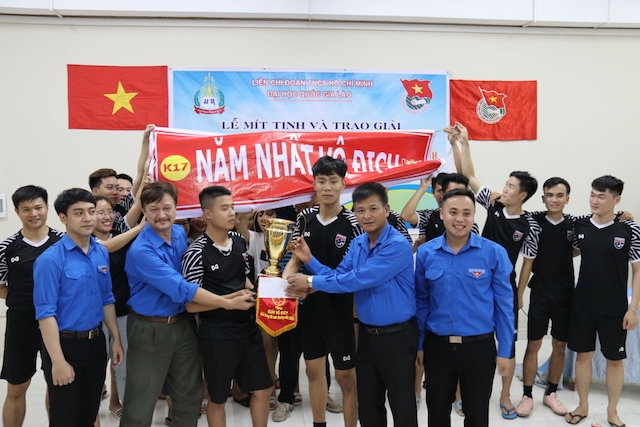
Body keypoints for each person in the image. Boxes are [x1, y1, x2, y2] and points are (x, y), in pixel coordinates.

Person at [120, 181, 256, 427]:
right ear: (144, 211)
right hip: (150, 329)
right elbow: (183, 288)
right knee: (140, 403)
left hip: (184, 324)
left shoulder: (179, 234)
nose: (161, 215)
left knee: (189, 397)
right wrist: (227, 302)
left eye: (167, 208)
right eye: (153, 209)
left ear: (176, 208)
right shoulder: (141, 251)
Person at [287, 182, 418, 427]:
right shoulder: (358, 243)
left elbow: (358, 279)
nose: (366, 216)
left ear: (386, 209)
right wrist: (310, 260)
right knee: (369, 405)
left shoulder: (397, 245)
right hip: (367, 337)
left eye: (373, 209)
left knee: (402, 405)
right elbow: (339, 275)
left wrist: (311, 281)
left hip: (397, 338)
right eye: (360, 210)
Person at [452, 122, 540, 419]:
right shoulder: (493, 204)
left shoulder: (530, 224)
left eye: (512, 186)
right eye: (507, 183)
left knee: (507, 342)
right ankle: (462, 394)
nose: (505, 188)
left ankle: (504, 395)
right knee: (470, 336)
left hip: (505, 287)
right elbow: (469, 177)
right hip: (475, 283)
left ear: (523, 195)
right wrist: (465, 143)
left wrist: (520, 293)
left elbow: (528, 261)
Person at [415, 188, 514, 427]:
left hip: (479, 348)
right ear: (442, 214)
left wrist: (505, 350)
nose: (459, 219)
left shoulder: (493, 253)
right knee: (437, 413)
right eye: (453, 212)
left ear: (474, 215)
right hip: (438, 347)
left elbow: (504, 306)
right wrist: (419, 345)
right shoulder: (427, 253)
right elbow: (422, 302)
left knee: (477, 414)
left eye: (466, 213)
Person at [181, 185, 273, 427]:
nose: (232, 213)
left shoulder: (238, 241)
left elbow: (243, 278)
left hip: (248, 328)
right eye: (224, 208)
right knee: (218, 397)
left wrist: (260, 291)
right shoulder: (196, 252)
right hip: (217, 335)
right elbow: (190, 306)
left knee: (263, 389)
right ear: (207, 214)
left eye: (232, 207)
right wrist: (229, 303)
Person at [32, 188, 124, 427]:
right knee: (64, 417)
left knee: (89, 414)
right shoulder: (50, 260)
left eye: (91, 212)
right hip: (65, 345)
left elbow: (107, 299)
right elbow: (45, 314)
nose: (87, 218)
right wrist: (58, 361)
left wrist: (115, 339)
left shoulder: (100, 252)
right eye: (79, 213)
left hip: (96, 344)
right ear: (63, 218)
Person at [282, 156, 359, 427]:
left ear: (343, 184)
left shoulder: (353, 222)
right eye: (322, 181)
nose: (327, 187)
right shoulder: (304, 218)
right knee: (314, 372)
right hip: (311, 312)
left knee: (345, 377)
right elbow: (295, 258)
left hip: (341, 310)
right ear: (314, 184)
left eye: (333, 181)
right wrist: (286, 280)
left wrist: (309, 285)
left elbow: (349, 274)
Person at [564, 175, 640, 427]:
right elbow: (568, 249)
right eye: (592, 194)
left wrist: (633, 308)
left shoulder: (630, 229)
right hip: (583, 304)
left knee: (615, 361)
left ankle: (612, 411)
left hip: (615, 307)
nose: (594, 200)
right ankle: (582, 406)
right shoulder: (579, 225)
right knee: (582, 356)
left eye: (601, 196)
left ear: (616, 200)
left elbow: (638, 271)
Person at [0, 185, 63, 427]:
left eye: (38, 207)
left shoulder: (64, 242)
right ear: (17, 211)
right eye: (26, 209)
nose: (34, 213)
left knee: (57, 385)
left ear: (47, 207)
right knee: (16, 387)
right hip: (20, 325)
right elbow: (2, 287)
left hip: (58, 325)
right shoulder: (6, 247)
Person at [514, 177, 574, 418]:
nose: (554, 199)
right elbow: (527, 262)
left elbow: (598, 226)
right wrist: (519, 294)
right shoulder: (534, 220)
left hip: (565, 294)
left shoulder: (574, 224)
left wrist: (624, 215)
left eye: (559, 195)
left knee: (560, 344)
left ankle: (551, 393)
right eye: (550, 195)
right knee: (533, 344)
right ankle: (527, 395)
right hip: (540, 292)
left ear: (567, 199)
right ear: (543, 198)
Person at [92, 196, 146, 419]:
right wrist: (140, 228)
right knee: (94, 368)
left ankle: (129, 411)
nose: (107, 217)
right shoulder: (86, 240)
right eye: (100, 212)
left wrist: (144, 179)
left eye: (110, 211)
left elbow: (137, 203)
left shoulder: (120, 232)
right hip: (93, 317)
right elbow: (107, 248)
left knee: (124, 367)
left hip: (123, 313)